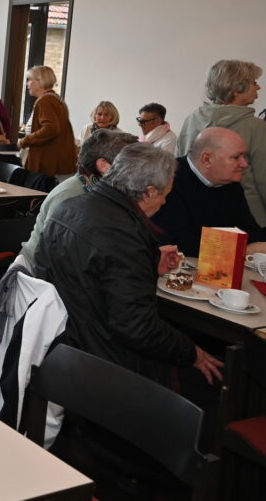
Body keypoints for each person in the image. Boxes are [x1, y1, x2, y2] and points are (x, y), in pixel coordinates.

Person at [30, 143, 223, 386]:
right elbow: (138, 328)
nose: (164, 203)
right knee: (213, 378)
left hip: (57, 338)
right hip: (98, 362)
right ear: (150, 192)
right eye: (165, 195)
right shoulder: (123, 235)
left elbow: (89, 271)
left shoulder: (72, 207)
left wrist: (148, 261)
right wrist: (192, 352)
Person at [177, 59, 266, 229]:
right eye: (254, 82)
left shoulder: (191, 120)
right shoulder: (256, 127)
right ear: (237, 87)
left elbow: (179, 168)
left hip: (197, 217)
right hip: (248, 220)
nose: (258, 87)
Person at [18, 129, 139, 262]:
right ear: (104, 166)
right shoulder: (71, 195)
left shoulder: (101, 191)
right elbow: (51, 253)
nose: (138, 172)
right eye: (130, 165)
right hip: (38, 276)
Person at [152, 128, 266, 257]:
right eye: (236, 157)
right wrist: (241, 250)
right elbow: (175, 242)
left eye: (245, 156)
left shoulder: (229, 181)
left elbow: (249, 230)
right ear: (207, 159)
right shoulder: (168, 180)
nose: (244, 164)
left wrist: (265, 248)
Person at [16, 65, 77, 180]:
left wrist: (25, 141)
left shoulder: (45, 101)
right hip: (56, 162)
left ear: (39, 81)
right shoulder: (54, 98)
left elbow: (51, 128)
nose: (27, 84)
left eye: (29, 80)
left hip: (49, 164)